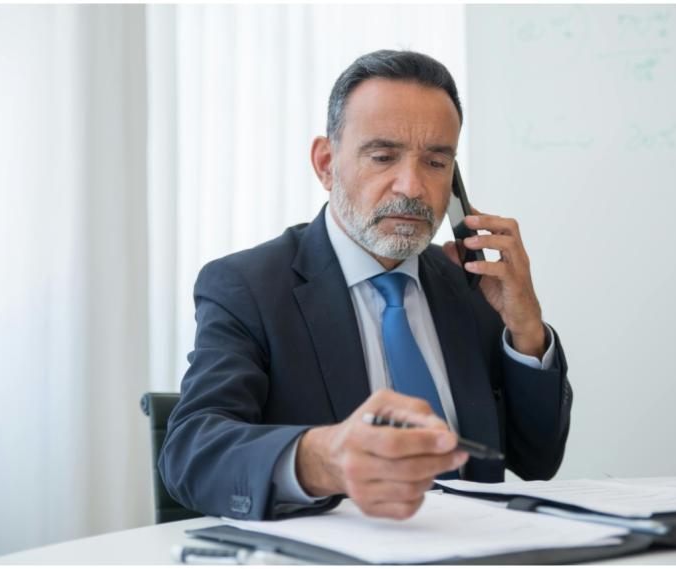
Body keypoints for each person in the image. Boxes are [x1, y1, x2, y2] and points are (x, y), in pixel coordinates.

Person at [158, 49, 572, 522]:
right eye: (383, 156)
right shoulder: (247, 287)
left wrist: (526, 331)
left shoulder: (471, 284)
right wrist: (321, 458)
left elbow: (537, 462)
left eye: (436, 163)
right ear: (326, 163)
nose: (411, 186)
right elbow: (190, 452)